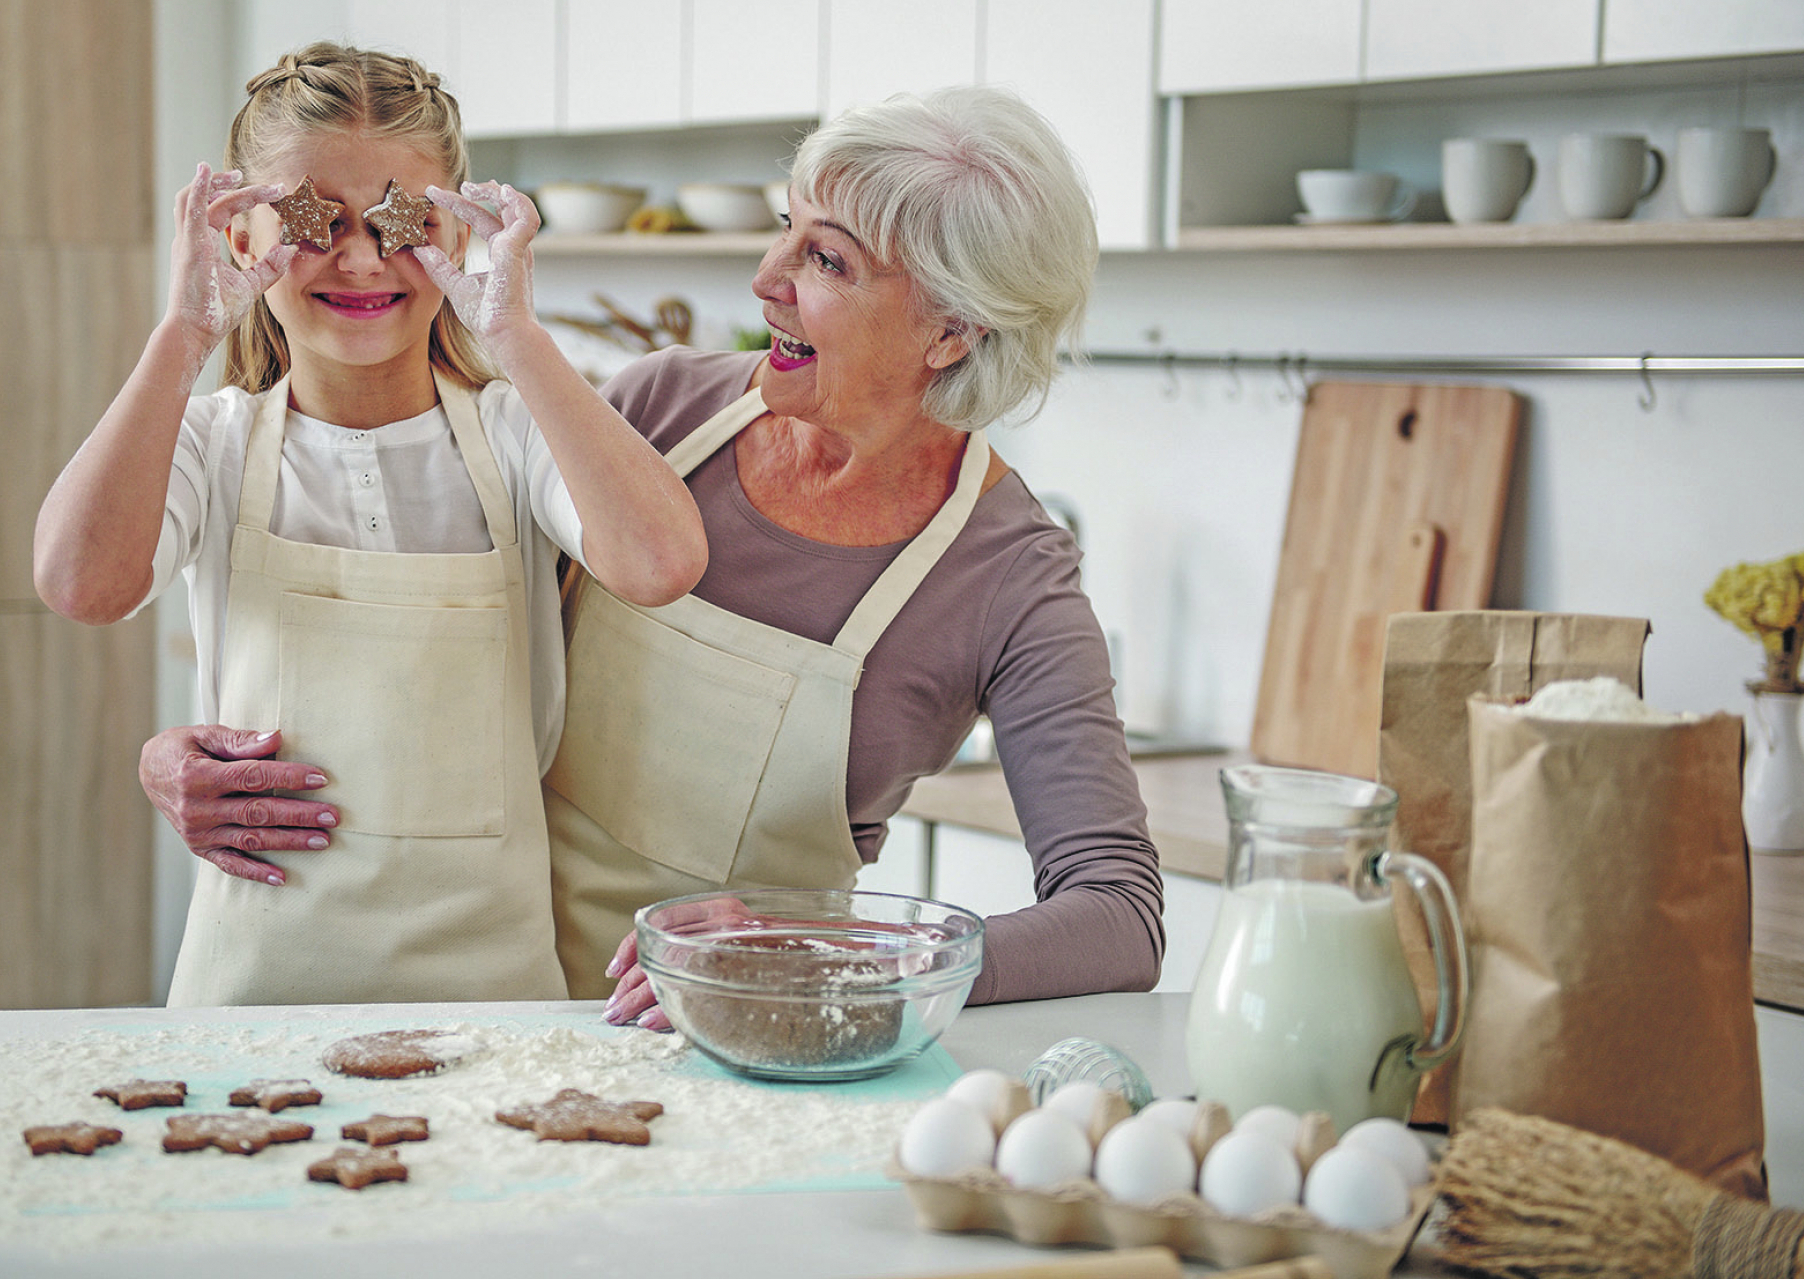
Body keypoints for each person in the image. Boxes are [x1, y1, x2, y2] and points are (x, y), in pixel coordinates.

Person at [136, 85, 1164, 1019]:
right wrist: (180, 754)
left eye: (826, 260)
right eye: (784, 232)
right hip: (497, 1004)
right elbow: (418, 642)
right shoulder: (656, 411)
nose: (765, 280)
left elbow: (1118, 914)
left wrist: (824, 952)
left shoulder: (1008, 574)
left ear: (951, 330)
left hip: (764, 1041)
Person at [34, 42, 706, 1007]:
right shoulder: (209, 441)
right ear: (240, 235)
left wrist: (514, 333)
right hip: (254, 993)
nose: (359, 257)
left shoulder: (516, 434)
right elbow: (79, 586)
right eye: (315, 219)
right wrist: (181, 336)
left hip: (495, 997)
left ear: (459, 231)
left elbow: (661, 562)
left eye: (402, 219)